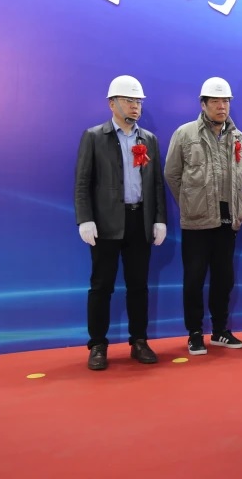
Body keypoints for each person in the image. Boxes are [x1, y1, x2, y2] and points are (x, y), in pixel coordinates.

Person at [74, 75, 167, 371]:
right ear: (112, 104)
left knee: (139, 285)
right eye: (129, 100)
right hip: (105, 222)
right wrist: (85, 219)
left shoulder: (148, 139)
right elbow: (82, 183)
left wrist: (159, 220)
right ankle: (98, 345)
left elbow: (156, 184)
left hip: (139, 220)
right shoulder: (94, 136)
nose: (135, 106)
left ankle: (139, 341)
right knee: (101, 285)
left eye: (138, 101)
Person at [165, 77, 242, 356]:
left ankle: (220, 330)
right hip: (197, 222)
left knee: (224, 279)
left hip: (227, 222)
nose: (222, 106)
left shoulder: (239, 138)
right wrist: (190, 203)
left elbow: (241, 175)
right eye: (215, 101)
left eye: (226, 101)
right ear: (203, 104)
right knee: (194, 279)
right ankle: (195, 333)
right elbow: (172, 174)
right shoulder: (185, 134)